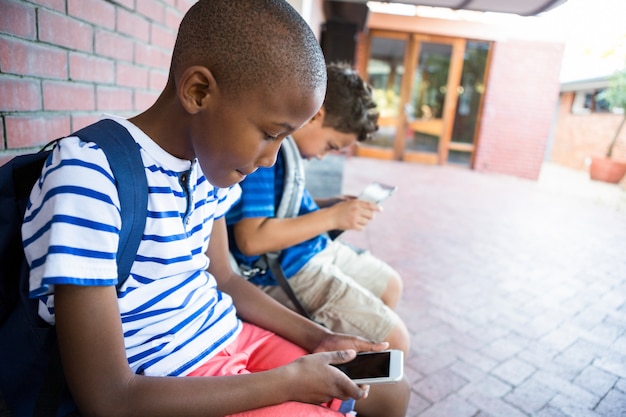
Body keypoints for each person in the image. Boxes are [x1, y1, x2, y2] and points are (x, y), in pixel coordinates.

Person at [20, 1, 409, 416]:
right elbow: (109, 398)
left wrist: (318, 338)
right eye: (268, 134)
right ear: (198, 91)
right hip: (172, 382)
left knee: (389, 393)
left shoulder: (208, 167)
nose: (270, 160)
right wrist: (287, 382)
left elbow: (223, 275)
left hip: (232, 336)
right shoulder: (91, 174)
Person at [226, 63, 410, 355]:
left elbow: (283, 209)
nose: (324, 157)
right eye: (329, 145)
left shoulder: (289, 152)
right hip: (285, 268)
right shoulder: (266, 154)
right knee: (396, 342)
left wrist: (331, 205)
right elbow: (252, 240)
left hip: (309, 249)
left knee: (391, 285)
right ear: (317, 114)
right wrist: (334, 217)